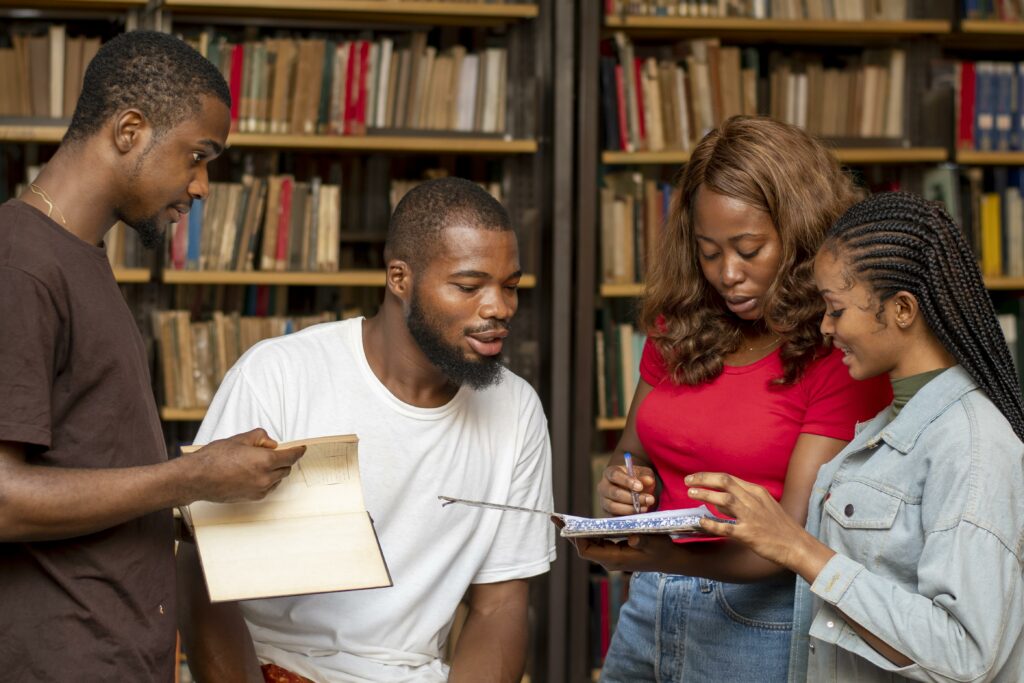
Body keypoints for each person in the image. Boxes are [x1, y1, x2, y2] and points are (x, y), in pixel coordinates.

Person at [0, 30, 306, 681]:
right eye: (197, 156)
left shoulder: (79, 256)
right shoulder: (20, 261)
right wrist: (190, 478)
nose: (202, 186)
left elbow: (92, 465)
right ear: (129, 130)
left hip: (118, 654)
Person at [178, 176, 556, 683]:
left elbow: (500, 606)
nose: (500, 308)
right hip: (277, 668)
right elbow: (201, 570)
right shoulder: (279, 376)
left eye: (510, 286)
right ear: (399, 278)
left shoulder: (516, 409)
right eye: (469, 287)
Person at [576, 116, 892, 682]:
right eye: (708, 251)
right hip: (649, 604)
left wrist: (661, 555)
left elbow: (791, 540)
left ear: (800, 236)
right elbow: (633, 449)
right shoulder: (679, 323)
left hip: (758, 621)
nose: (728, 274)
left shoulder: (840, 351)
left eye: (749, 249)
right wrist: (626, 485)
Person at [686, 191, 1024, 681]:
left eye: (837, 310)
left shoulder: (973, 446)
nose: (825, 327)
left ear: (902, 309)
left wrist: (800, 550)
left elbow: (965, 653)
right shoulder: (889, 425)